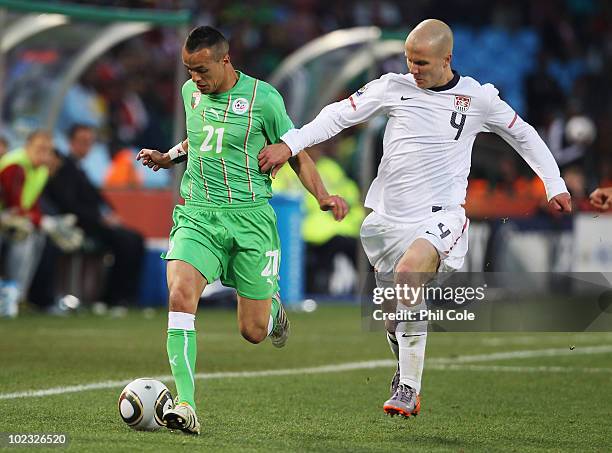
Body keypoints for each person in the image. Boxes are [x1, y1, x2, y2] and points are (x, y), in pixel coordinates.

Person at [259, 19, 572, 418]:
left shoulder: (478, 98)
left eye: (422, 63)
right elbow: (337, 116)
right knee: (394, 319)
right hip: (387, 223)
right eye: (409, 60)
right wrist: (290, 143)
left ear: (447, 59)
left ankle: (409, 389)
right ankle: (402, 365)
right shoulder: (393, 86)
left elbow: (523, 134)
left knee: (410, 276)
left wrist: (554, 183)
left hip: (442, 218)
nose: (414, 70)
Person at [137, 26, 348, 435]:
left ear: (224, 60)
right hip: (197, 215)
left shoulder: (264, 99)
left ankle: (272, 312)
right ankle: (186, 404)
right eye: (188, 70)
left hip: (250, 220)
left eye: (201, 69)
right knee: (180, 295)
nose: (194, 78)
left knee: (252, 331)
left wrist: (321, 196)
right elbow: (200, 137)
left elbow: (296, 152)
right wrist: (169, 157)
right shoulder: (190, 93)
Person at [43, 124, 144, 311]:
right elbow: (70, 204)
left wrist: (110, 212)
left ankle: (124, 297)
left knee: (134, 239)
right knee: (128, 241)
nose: (86, 146)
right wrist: (100, 218)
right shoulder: (64, 167)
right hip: (82, 223)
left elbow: (95, 195)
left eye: (89, 142)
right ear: (71, 142)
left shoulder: (78, 167)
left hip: (94, 221)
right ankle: (113, 298)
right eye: (82, 142)